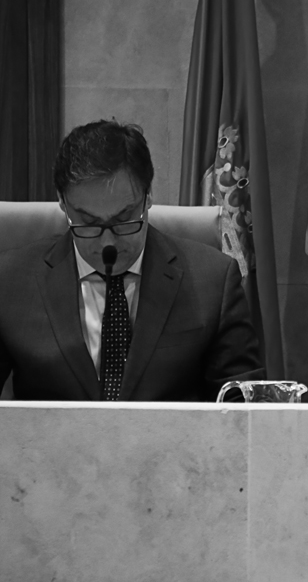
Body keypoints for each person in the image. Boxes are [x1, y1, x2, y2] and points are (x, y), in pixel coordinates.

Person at [0, 120, 264, 400]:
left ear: (148, 196)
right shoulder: (9, 282)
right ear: (63, 203)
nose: (108, 242)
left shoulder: (213, 281)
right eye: (88, 222)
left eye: (124, 218)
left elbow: (242, 408)